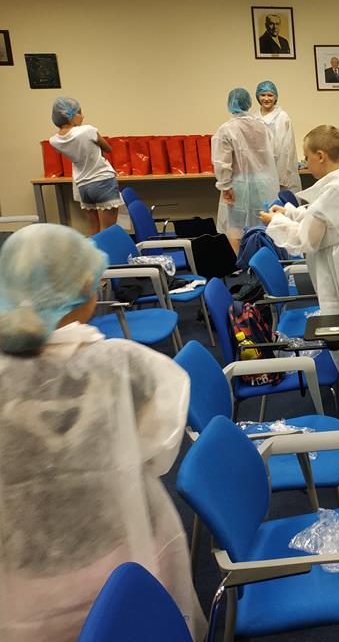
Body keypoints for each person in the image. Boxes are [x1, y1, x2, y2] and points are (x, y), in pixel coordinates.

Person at [0, 224, 204, 641]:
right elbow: (158, 452)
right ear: (88, 290)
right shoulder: (127, 366)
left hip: (22, 584)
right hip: (118, 557)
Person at [261, 125, 339, 428]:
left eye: (306, 157)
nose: (305, 162)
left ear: (320, 155)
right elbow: (317, 217)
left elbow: (307, 239)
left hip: (336, 280)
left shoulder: (335, 191)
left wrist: (275, 222)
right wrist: (289, 213)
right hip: (337, 273)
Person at [211, 87, 278, 253]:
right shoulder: (262, 127)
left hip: (239, 184)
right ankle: (262, 260)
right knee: (261, 224)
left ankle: (241, 262)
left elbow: (222, 163)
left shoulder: (226, 129)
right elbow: (273, 154)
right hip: (263, 183)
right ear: (249, 103)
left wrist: (225, 186)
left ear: (230, 104)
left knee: (236, 228)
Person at [47, 97, 122, 235]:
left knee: (94, 230)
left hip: (83, 186)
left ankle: (92, 250)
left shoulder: (54, 141)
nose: (83, 116)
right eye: (79, 112)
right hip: (102, 179)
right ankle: (108, 251)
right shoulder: (87, 130)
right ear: (69, 115)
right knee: (108, 231)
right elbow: (108, 148)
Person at [253, 80, 300, 193]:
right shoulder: (253, 118)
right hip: (259, 170)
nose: (266, 98)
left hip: (279, 170)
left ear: (276, 97)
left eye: (270, 95)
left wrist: (281, 177)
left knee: (280, 200)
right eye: (263, 95)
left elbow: (287, 149)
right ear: (258, 96)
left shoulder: (282, 117)